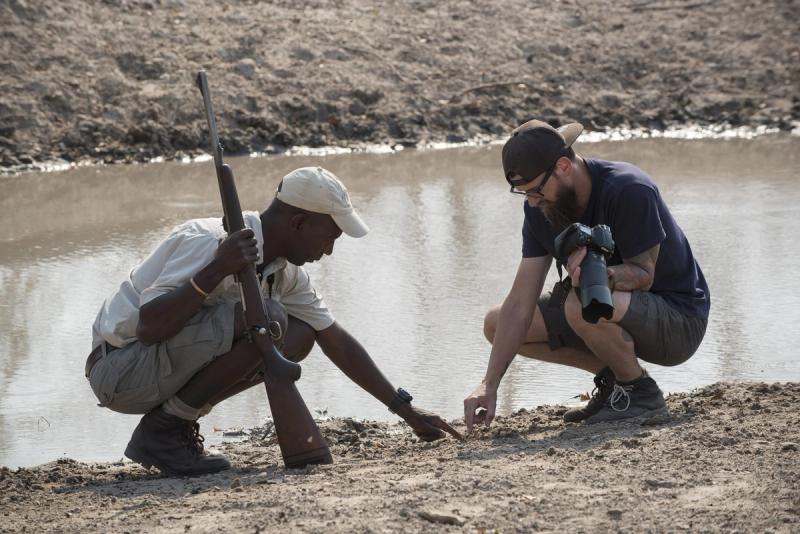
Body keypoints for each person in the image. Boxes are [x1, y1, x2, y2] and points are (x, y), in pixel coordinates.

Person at [87, 166, 461, 476]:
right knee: (270, 318)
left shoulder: (286, 273)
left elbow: (335, 340)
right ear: (298, 222)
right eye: (329, 236)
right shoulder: (206, 240)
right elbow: (149, 328)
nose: (329, 250)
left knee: (299, 335)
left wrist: (404, 409)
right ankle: (166, 429)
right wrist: (217, 269)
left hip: (158, 370)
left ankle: (170, 425)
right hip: (121, 371)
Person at [463, 120, 710, 432]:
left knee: (580, 303)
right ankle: (616, 383)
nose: (531, 201)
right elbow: (519, 305)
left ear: (564, 166)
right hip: (603, 309)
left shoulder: (629, 188)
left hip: (678, 322)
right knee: (497, 324)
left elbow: (644, 275)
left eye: (536, 190)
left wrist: (596, 274)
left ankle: (641, 394)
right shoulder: (541, 209)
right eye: (522, 193)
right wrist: (489, 384)